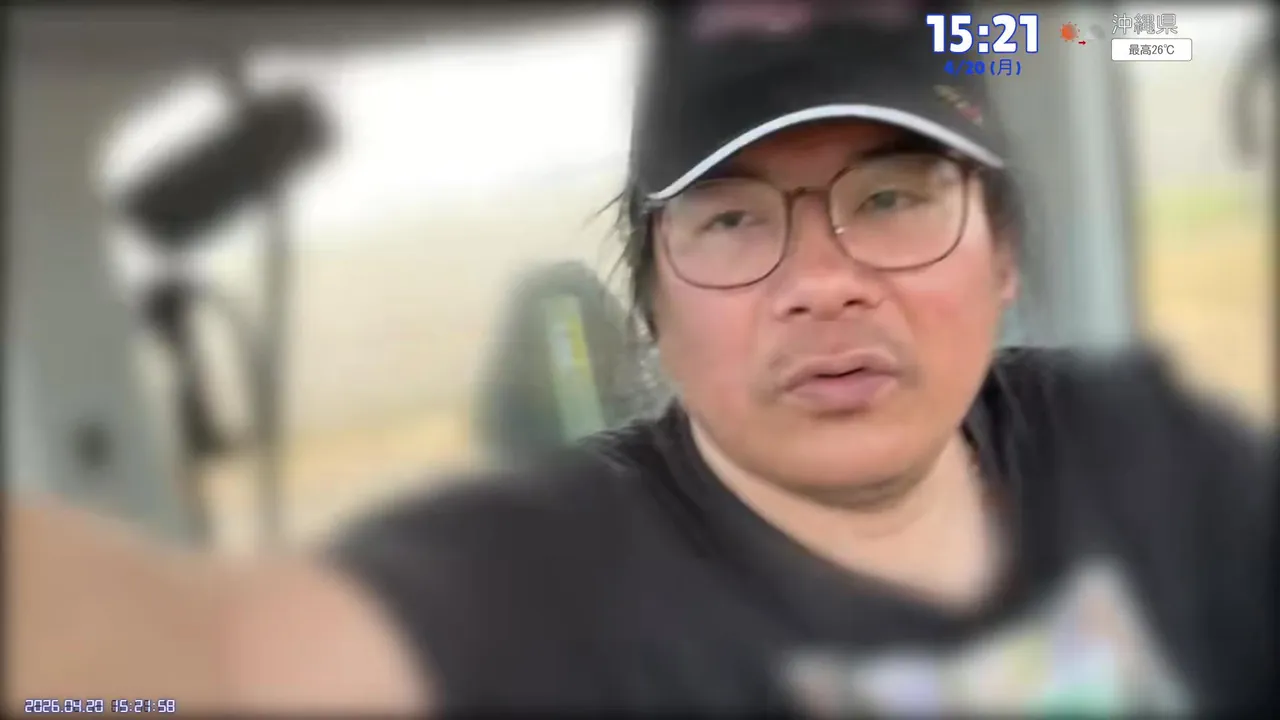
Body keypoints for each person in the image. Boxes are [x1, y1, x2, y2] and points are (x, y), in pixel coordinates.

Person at [10, 1, 1275, 715]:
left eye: (891, 198)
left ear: (1001, 255)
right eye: (732, 221)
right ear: (654, 306)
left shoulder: (1139, 452)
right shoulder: (549, 576)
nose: (821, 279)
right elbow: (202, 670)